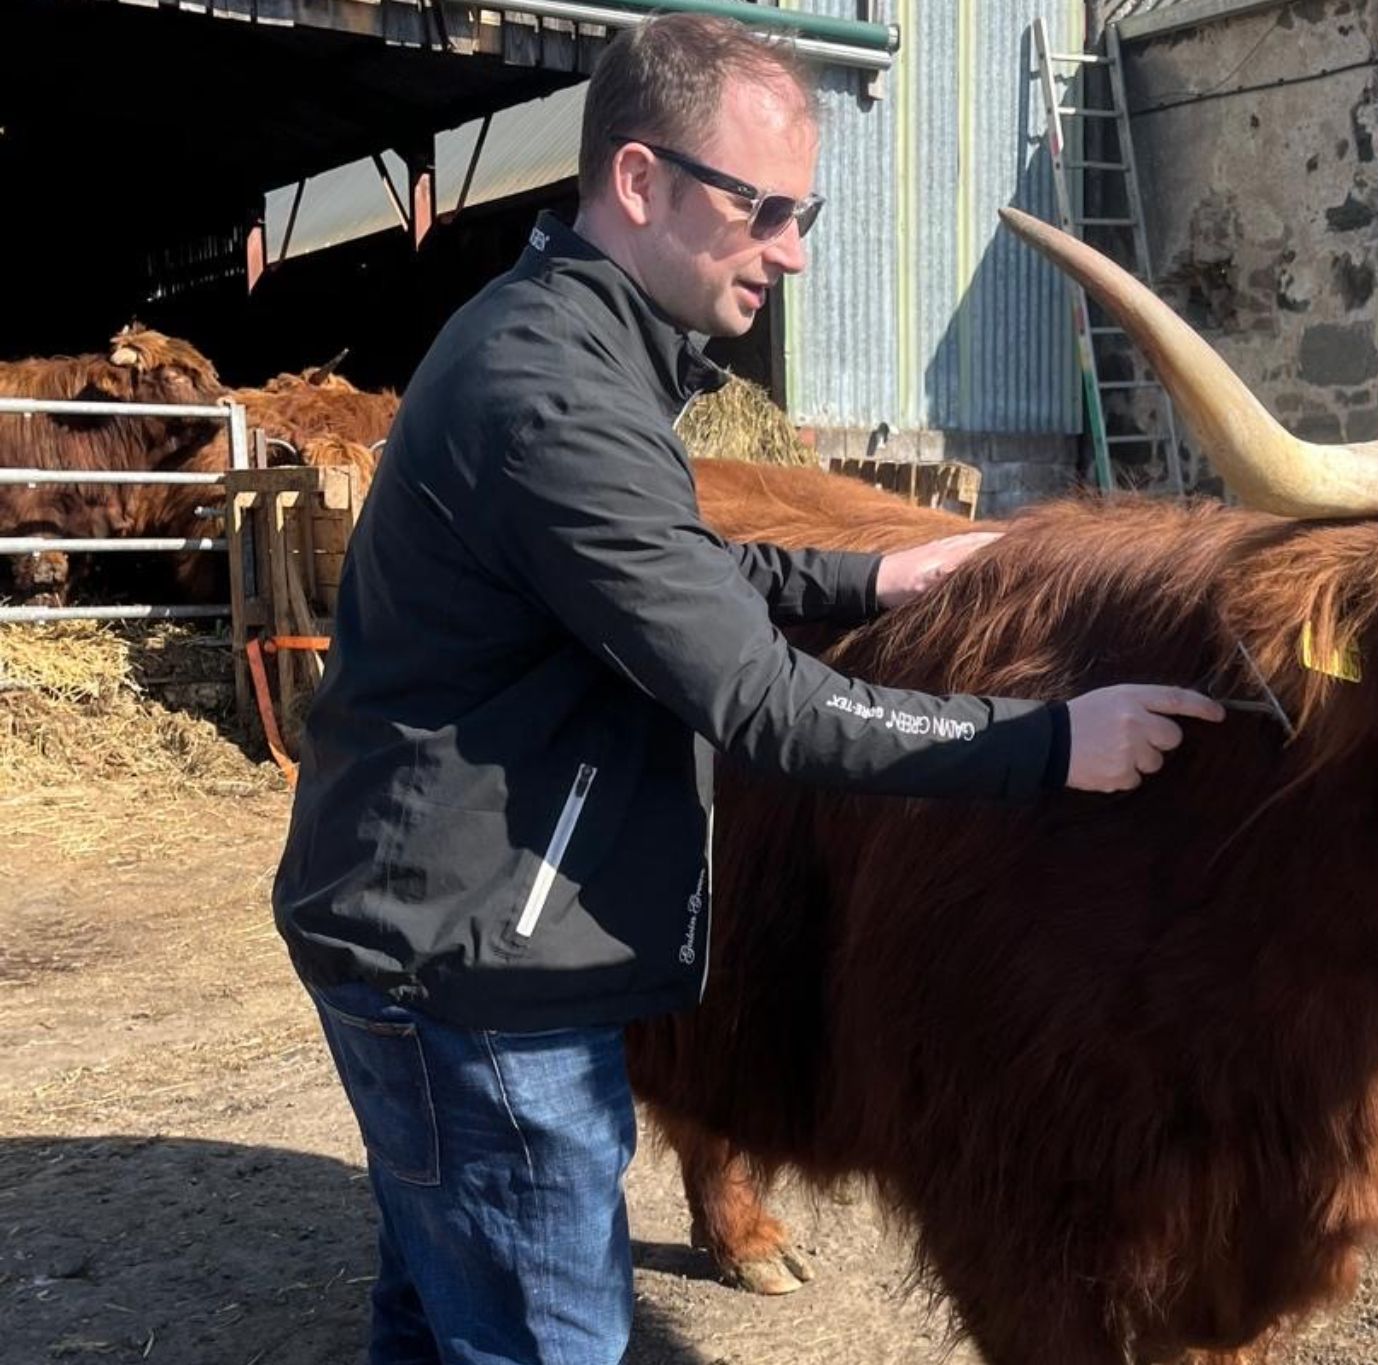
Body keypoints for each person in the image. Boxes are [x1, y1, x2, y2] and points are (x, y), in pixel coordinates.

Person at [271, 13, 1222, 1364]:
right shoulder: (559, 400)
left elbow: (669, 565)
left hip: (426, 928)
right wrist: (1053, 740)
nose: (794, 249)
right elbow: (766, 705)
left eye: (807, 209)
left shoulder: (566, 344)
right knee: (542, 1337)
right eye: (764, 208)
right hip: (471, 978)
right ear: (643, 181)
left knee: (437, 1299)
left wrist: (868, 581)